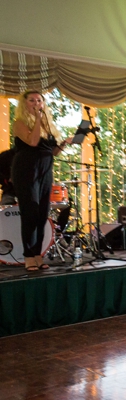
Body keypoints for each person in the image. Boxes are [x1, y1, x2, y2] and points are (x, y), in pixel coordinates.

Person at [11, 91, 71, 271]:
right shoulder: (19, 123)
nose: (36, 103)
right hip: (26, 170)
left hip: (45, 171)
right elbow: (33, 142)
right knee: (30, 212)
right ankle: (28, 256)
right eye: (32, 100)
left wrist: (62, 145)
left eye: (40, 100)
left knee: (43, 214)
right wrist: (38, 119)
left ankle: (38, 254)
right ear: (25, 104)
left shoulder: (47, 125)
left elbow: (50, 152)